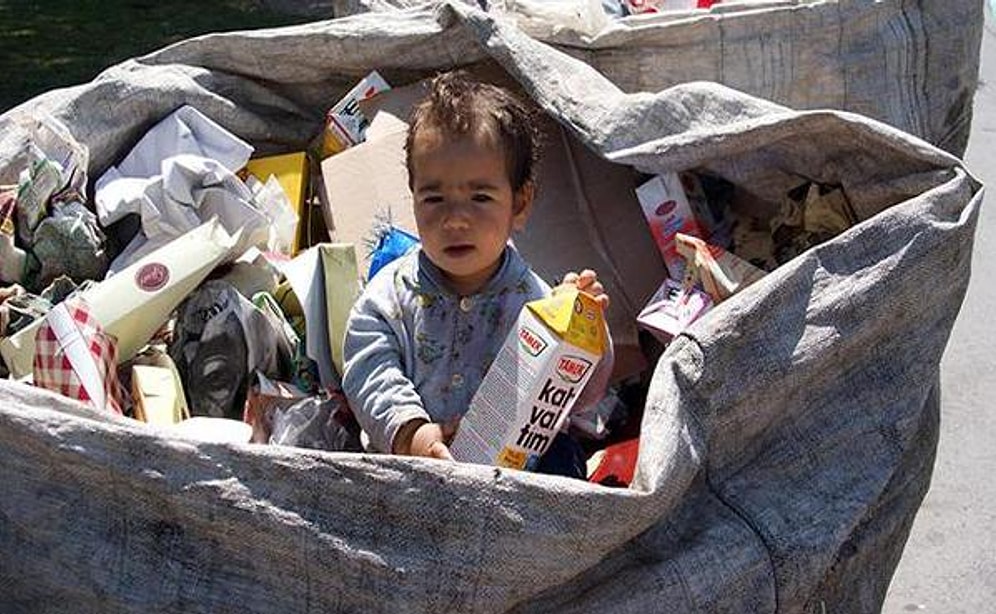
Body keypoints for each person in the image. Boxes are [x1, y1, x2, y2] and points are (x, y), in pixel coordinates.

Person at [341, 71, 613, 478]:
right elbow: (368, 370)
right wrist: (412, 435)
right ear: (412, 198)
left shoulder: (536, 303)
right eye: (434, 198)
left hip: (512, 474)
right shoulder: (389, 297)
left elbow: (578, 398)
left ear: (519, 205)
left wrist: (584, 330)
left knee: (563, 462)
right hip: (412, 470)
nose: (455, 220)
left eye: (480, 198)